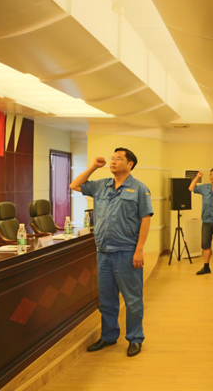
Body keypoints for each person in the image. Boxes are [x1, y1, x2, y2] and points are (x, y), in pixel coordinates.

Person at [70, 148, 153, 357]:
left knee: (133, 300)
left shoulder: (139, 189)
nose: (113, 161)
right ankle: (108, 336)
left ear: (130, 164)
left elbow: (145, 219)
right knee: (107, 299)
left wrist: (139, 250)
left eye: (119, 158)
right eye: (112, 158)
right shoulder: (101, 185)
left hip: (127, 251)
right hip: (103, 252)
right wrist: (93, 167)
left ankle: (135, 338)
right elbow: (74, 185)